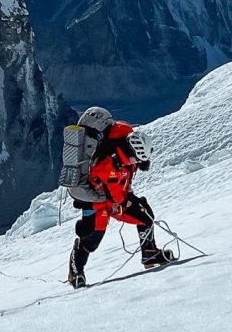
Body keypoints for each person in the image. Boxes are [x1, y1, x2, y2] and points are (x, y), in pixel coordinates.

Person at [67, 106, 174, 288]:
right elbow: (115, 196)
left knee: (144, 215)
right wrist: (127, 200)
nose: (137, 164)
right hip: (96, 200)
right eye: (136, 160)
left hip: (111, 199)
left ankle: (149, 253)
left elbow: (120, 190)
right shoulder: (110, 164)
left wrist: (127, 199)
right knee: (93, 237)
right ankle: (75, 270)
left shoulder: (124, 155)